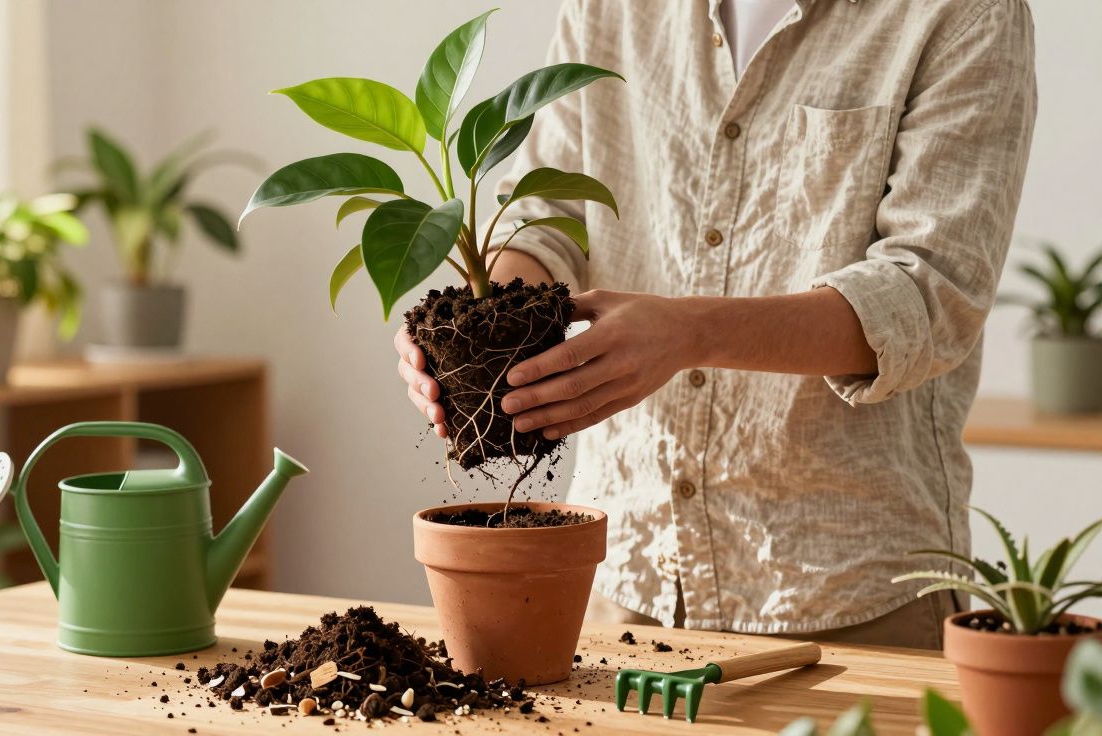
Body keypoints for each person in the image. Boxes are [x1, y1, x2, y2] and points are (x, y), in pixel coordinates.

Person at [395, 0, 1036, 649]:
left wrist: (690, 332)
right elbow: (550, 207)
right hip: (626, 576)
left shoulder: (966, 12)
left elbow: (928, 292)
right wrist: (477, 327)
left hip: (850, 593)